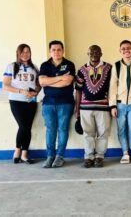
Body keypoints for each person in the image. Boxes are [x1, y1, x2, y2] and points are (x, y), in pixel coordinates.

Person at [39, 40, 75, 168]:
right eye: (53, 50)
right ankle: (50, 156)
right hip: (48, 103)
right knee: (50, 130)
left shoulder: (69, 64)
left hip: (65, 103)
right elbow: (42, 82)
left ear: (63, 50)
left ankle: (60, 156)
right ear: (50, 51)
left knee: (63, 129)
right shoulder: (45, 65)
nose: (56, 52)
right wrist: (60, 77)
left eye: (59, 49)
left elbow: (67, 82)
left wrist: (50, 81)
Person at [2, 44, 40, 164]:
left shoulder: (34, 68)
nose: (25, 54)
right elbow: (5, 85)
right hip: (16, 101)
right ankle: (17, 150)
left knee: (27, 127)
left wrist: (35, 92)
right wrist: (21, 91)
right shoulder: (11, 66)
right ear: (18, 53)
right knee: (23, 126)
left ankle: (24, 154)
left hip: (31, 102)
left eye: (27, 52)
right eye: (22, 52)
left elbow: (38, 85)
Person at [75, 45, 112, 168]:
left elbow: (113, 88)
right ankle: (89, 156)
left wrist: (112, 106)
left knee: (103, 133)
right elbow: (78, 91)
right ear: (88, 53)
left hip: (103, 107)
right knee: (87, 133)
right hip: (85, 108)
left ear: (101, 53)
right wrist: (77, 110)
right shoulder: (82, 70)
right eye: (92, 52)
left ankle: (100, 156)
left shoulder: (109, 68)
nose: (94, 54)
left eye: (97, 52)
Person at [109, 40, 131, 164]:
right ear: (120, 51)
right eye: (123, 48)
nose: (126, 50)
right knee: (122, 128)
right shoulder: (116, 65)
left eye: (128, 48)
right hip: (120, 103)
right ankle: (125, 152)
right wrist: (112, 105)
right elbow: (113, 86)